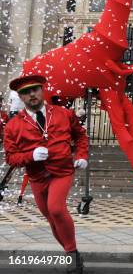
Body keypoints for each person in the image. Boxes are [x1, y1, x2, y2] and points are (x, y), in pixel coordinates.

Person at [4, 75, 88, 273]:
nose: (32, 94)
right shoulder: (13, 125)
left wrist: (82, 155)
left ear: (42, 90)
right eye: (26, 92)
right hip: (37, 177)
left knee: (57, 209)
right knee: (52, 219)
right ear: (21, 97)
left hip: (62, 171)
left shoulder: (64, 113)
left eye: (35, 89)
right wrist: (30, 155)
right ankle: (73, 253)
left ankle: (71, 257)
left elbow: (80, 135)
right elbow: (11, 158)